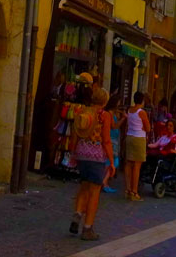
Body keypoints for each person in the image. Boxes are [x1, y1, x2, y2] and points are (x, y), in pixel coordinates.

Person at [69, 87, 114, 241]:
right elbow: (106, 140)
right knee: (95, 192)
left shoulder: (82, 111)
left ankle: (77, 214)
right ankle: (87, 228)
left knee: (83, 186)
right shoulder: (104, 115)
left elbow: (75, 133)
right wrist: (112, 162)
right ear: (105, 101)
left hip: (81, 153)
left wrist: (73, 152)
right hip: (96, 156)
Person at [123, 91, 151, 201]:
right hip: (139, 138)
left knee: (128, 163)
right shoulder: (141, 112)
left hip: (129, 136)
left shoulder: (129, 110)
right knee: (137, 166)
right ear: (142, 100)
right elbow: (148, 128)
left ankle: (127, 189)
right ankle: (134, 191)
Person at [102, 94, 123, 193]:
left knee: (112, 161)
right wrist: (123, 119)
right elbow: (114, 126)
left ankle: (105, 181)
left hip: (114, 139)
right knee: (113, 161)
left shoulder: (113, 113)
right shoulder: (109, 113)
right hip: (112, 139)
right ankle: (104, 181)